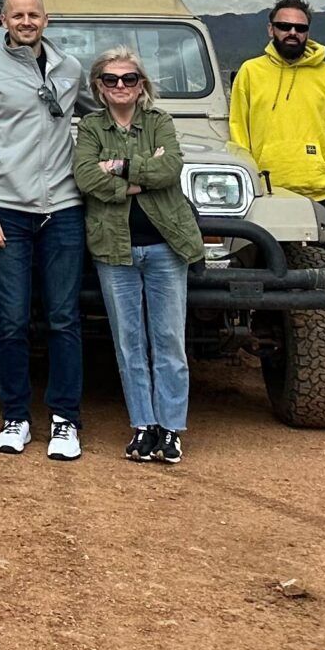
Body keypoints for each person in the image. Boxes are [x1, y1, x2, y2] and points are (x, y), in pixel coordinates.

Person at [0, 0, 88, 458]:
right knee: (11, 320)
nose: (26, 22)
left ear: (46, 20)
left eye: (34, 15)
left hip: (64, 208)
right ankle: (15, 416)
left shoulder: (69, 70)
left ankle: (64, 419)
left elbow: (98, 114)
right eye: (18, 15)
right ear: (4, 21)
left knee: (63, 317)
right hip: (6, 209)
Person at [73, 46, 202, 465]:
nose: (121, 86)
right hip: (115, 247)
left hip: (166, 244)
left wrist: (119, 167)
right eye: (111, 80)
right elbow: (86, 175)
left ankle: (171, 427)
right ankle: (143, 424)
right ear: (98, 87)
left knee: (168, 339)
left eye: (129, 78)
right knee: (129, 342)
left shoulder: (159, 121)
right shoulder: (91, 127)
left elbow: (171, 169)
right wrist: (131, 178)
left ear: (141, 84)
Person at [229, 0, 325, 259]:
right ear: (271, 29)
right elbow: (238, 133)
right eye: (284, 26)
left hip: (324, 193)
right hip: (266, 194)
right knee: (263, 277)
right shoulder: (250, 72)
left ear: (307, 33)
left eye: (300, 28)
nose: (292, 32)